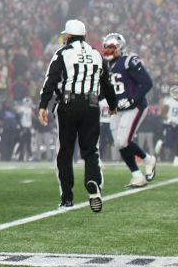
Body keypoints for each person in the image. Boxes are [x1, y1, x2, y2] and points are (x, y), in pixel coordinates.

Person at [38, 19, 117, 212]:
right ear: (85, 36)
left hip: (68, 105)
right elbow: (106, 84)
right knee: (91, 151)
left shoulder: (63, 53)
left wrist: (43, 105)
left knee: (65, 152)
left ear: (68, 36)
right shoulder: (97, 55)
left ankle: (67, 197)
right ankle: (93, 182)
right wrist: (113, 105)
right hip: (91, 105)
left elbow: (51, 80)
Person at [101, 33, 156, 188]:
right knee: (119, 144)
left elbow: (147, 83)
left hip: (135, 107)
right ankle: (137, 176)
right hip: (118, 109)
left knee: (123, 141)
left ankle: (149, 160)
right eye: (106, 48)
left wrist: (132, 99)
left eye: (111, 48)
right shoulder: (107, 66)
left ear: (120, 47)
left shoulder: (129, 61)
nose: (108, 51)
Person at [157, 85, 178, 164]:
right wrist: (169, 121)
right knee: (169, 143)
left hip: (177, 125)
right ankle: (162, 144)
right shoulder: (168, 101)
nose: (176, 94)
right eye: (175, 92)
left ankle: (176, 158)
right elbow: (163, 113)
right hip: (169, 125)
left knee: (177, 142)